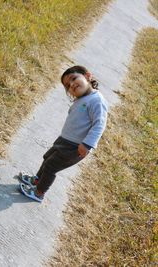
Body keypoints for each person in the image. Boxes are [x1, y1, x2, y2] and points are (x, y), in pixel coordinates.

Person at [18, 65, 109, 202]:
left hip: (76, 146)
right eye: (67, 85)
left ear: (87, 76)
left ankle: (39, 192)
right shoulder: (82, 99)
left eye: (73, 78)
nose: (71, 85)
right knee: (47, 158)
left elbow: (99, 124)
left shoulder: (97, 100)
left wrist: (87, 144)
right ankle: (37, 180)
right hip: (64, 140)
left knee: (51, 167)